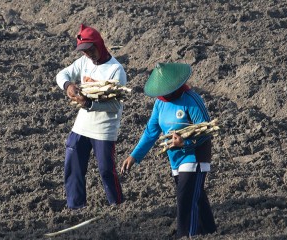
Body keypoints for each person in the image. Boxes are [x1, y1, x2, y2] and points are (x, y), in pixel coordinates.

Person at [120, 63, 217, 238]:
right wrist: (134, 155)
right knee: (196, 195)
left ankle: (186, 234)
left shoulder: (191, 100)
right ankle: (210, 229)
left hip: (195, 157)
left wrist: (185, 143)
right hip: (175, 159)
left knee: (185, 199)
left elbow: (205, 133)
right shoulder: (160, 104)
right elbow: (151, 132)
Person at [56, 24, 126, 209]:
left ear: (99, 44)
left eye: (91, 49)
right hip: (82, 126)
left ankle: (118, 205)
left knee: (106, 170)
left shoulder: (116, 70)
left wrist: (89, 104)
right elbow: (62, 74)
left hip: (104, 128)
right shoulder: (83, 62)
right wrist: (68, 85)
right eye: (84, 51)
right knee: (73, 166)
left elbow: (115, 105)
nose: (88, 54)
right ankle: (76, 206)